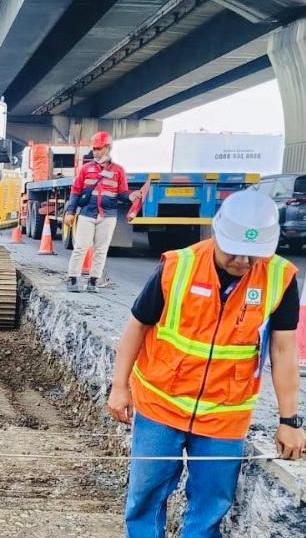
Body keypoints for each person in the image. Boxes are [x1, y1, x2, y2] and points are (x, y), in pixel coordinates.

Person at [107, 188, 306, 538]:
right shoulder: (178, 267)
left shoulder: (280, 278)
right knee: (146, 498)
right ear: (216, 234)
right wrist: (120, 386)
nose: (244, 263)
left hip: (225, 416)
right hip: (160, 406)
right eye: (235, 253)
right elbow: (137, 326)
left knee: (211, 504)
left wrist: (289, 420)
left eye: (253, 255)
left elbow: (284, 351)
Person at [64, 131, 140, 293]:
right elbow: (76, 191)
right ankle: (72, 278)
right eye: (94, 149)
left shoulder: (118, 171)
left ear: (107, 148)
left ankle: (93, 281)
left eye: (98, 149)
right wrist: (70, 211)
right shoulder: (86, 169)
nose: (95, 152)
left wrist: (131, 196)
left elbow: (122, 193)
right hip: (87, 213)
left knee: (101, 249)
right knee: (81, 247)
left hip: (107, 215)